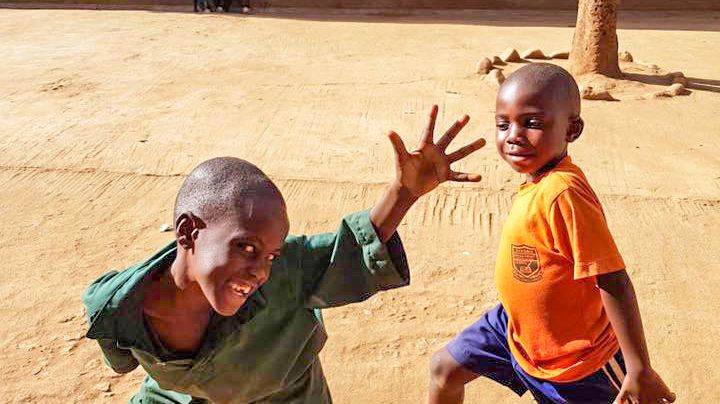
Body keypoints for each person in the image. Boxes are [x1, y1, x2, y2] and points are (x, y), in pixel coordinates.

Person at [82, 105, 486, 404]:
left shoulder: (285, 273)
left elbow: (346, 249)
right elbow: (123, 362)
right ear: (188, 232)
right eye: (246, 247)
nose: (259, 270)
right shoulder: (115, 305)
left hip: (287, 396)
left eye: (271, 254)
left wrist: (404, 193)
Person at [428, 64, 676, 404]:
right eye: (503, 123)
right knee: (444, 369)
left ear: (572, 129)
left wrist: (638, 369)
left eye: (531, 123)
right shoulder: (539, 177)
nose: (513, 134)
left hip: (577, 362)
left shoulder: (564, 192)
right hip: (515, 331)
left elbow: (612, 279)